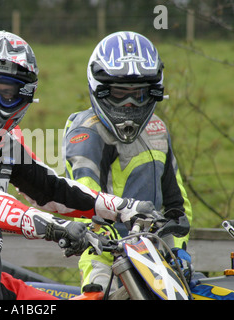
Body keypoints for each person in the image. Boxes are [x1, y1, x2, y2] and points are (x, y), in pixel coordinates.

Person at [0, 30, 158, 300]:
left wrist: (124, 208)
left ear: (25, 95)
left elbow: (50, 190)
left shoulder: (4, 140)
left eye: (7, 93)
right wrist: (53, 227)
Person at [63, 31, 193, 292]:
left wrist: (178, 249)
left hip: (157, 256)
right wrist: (108, 241)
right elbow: (86, 201)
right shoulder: (87, 133)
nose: (130, 104)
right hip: (106, 257)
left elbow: (176, 203)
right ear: (100, 89)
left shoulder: (157, 129)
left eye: (140, 95)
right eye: (121, 93)